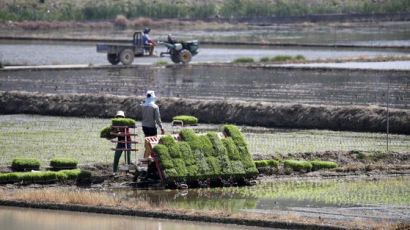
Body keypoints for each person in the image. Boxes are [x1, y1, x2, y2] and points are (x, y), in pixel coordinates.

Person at [112, 110, 132, 176]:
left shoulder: (126, 123)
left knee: (128, 158)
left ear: (123, 117)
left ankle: (127, 172)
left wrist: (120, 133)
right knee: (116, 157)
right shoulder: (116, 125)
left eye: (120, 117)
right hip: (120, 142)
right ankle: (114, 172)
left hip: (127, 142)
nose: (119, 118)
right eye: (118, 117)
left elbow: (127, 133)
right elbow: (114, 135)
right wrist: (111, 134)